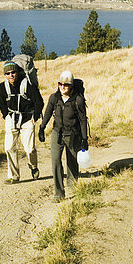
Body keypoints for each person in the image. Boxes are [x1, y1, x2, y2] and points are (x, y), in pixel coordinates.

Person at [38, 71, 88, 202]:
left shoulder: (78, 100)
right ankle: (59, 193)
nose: (62, 87)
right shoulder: (54, 98)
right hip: (57, 133)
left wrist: (84, 139)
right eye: (60, 84)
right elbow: (48, 112)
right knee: (55, 161)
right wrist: (42, 128)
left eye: (65, 85)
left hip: (73, 134)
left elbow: (83, 120)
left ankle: (72, 186)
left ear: (71, 85)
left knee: (72, 161)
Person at [0, 60, 44, 184]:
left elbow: (39, 101)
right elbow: (1, 102)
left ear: (17, 72)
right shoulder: (3, 87)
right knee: (9, 148)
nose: (11, 75)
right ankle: (14, 176)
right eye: (7, 73)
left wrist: (35, 117)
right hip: (12, 119)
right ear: (5, 75)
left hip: (27, 119)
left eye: (13, 72)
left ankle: (33, 166)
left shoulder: (27, 85)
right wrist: (6, 115)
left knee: (29, 149)